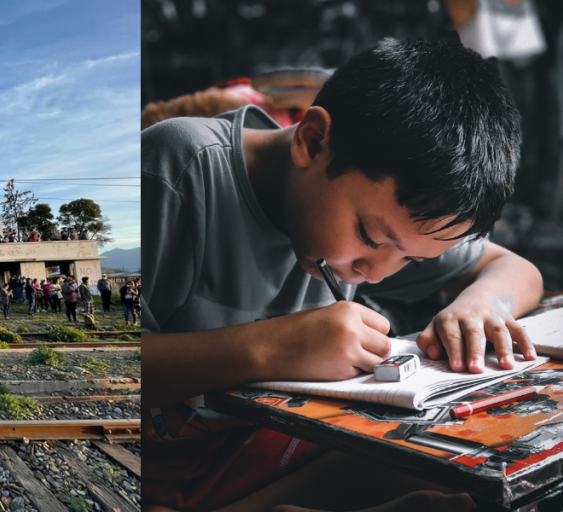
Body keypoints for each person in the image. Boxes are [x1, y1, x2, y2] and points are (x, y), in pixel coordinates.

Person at [142, 39, 542, 512]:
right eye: (371, 237)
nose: (374, 275)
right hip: (150, 480)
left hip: (263, 464)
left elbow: (516, 269)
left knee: (469, 477)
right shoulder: (178, 170)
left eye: (410, 260)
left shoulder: (386, 213)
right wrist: (272, 348)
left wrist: (479, 306)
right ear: (312, 142)